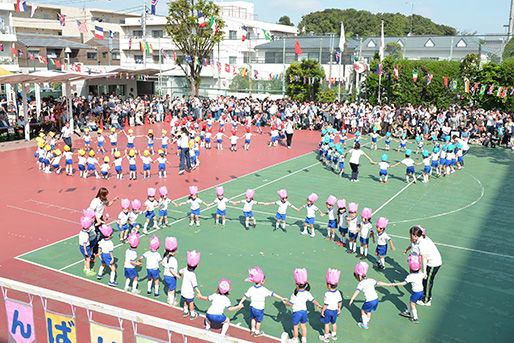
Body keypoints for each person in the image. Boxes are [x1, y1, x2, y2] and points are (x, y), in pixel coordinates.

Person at [238, 266, 285, 337]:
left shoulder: (251, 289)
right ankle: (257, 332)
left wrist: (241, 302)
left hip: (253, 307)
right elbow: (272, 294)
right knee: (259, 321)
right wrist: (281, 298)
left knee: (253, 319)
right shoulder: (264, 290)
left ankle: (252, 330)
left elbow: (245, 296)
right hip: (259, 309)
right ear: (261, 281)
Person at [282, 268, 322, 343]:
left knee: (295, 327)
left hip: (297, 312)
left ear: (297, 284)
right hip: (304, 312)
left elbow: (290, 304)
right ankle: (304, 339)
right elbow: (313, 300)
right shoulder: (307, 293)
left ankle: (295, 339)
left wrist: (285, 303)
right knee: (303, 326)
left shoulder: (294, 294)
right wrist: (319, 305)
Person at [407, 225, 442, 306]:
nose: (410, 237)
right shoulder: (422, 237)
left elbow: (424, 257)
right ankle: (427, 295)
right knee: (427, 281)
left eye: (411, 235)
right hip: (434, 261)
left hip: (433, 263)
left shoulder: (422, 243)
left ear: (415, 235)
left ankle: (426, 300)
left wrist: (425, 271)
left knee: (427, 281)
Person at [385, 255, 425, 323]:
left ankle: (415, 318)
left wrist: (395, 284)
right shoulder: (421, 274)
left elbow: (404, 283)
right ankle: (408, 312)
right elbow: (425, 276)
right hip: (421, 291)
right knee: (411, 301)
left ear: (411, 269)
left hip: (416, 292)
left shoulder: (410, 276)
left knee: (412, 304)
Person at [89, 187, 118, 255]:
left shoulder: (104, 200)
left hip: (100, 218)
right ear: (102, 194)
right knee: (97, 235)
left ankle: (98, 247)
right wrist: (97, 219)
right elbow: (91, 211)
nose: (106, 196)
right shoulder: (95, 201)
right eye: (105, 195)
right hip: (95, 219)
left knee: (101, 234)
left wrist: (114, 200)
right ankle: (94, 250)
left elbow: (108, 204)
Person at [319, 269, 343, 342]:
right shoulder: (338, 292)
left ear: (329, 285)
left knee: (326, 324)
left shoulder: (327, 294)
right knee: (333, 323)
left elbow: (326, 304)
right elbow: (340, 301)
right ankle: (334, 335)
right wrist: (339, 308)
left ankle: (326, 337)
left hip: (328, 311)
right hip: (335, 310)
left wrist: (322, 311)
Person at [180, 250, 203, 319]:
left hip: (183, 291)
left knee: (185, 301)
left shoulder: (185, 269)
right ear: (196, 265)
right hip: (189, 292)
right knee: (191, 302)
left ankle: (185, 311)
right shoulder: (193, 275)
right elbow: (195, 285)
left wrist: (179, 274)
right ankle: (192, 314)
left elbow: (180, 271)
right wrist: (199, 292)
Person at [162, 237, 181, 306]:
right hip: (171, 276)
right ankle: (171, 301)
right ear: (173, 252)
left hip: (166, 275)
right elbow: (171, 270)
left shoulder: (165, 257)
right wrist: (177, 275)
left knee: (170, 288)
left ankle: (170, 299)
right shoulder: (173, 259)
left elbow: (163, 265)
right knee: (172, 290)